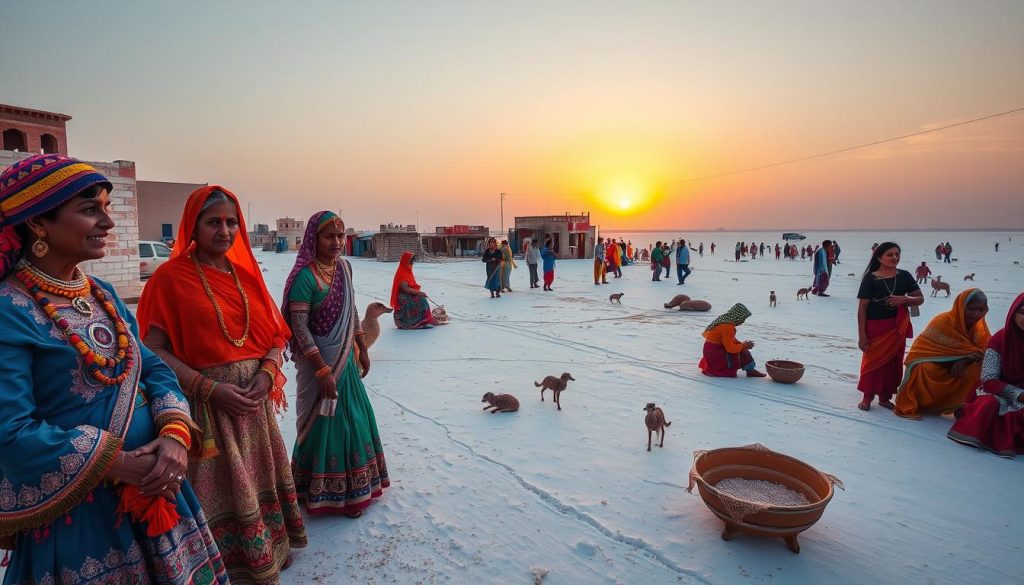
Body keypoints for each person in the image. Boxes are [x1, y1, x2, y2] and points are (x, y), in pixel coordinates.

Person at [0, 155, 228, 584]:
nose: (108, 222)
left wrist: (175, 437)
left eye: (106, 207)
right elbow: (10, 434)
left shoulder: (101, 292)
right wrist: (118, 464)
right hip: (81, 512)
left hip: (161, 487)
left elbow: (151, 367)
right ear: (37, 224)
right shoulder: (8, 310)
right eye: (90, 210)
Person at [137, 186, 307, 583]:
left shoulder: (246, 277)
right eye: (213, 222)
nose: (225, 230)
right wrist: (206, 388)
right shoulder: (169, 279)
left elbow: (276, 337)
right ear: (192, 226)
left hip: (254, 408)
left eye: (232, 222)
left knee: (257, 479)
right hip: (206, 412)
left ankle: (267, 553)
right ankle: (221, 566)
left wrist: (267, 372)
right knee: (218, 490)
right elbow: (153, 349)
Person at [283, 211, 389, 516]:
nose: (337, 242)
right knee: (324, 424)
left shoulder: (344, 268)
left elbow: (351, 308)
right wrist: (321, 369)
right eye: (330, 236)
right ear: (313, 239)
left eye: (341, 236)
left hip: (346, 360)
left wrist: (360, 345)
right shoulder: (305, 277)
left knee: (353, 419)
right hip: (320, 364)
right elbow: (299, 328)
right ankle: (317, 490)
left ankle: (356, 489)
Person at [947, 293, 1024, 457]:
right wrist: (1018, 394)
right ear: (1014, 313)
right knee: (989, 405)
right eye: (1023, 312)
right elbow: (989, 380)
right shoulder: (1000, 339)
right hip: (997, 390)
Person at [893, 289, 990, 419]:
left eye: (981, 310)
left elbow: (985, 351)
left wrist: (965, 359)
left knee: (981, 367)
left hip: (960, 367)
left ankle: (961, 405)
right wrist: (954, 361)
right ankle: (923, 403)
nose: (976, 314)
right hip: (936, 364)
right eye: (971, 309)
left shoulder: (980, 328)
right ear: (961, 307)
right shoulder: (943, 321)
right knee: (922, 368)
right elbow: (920, 354)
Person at [856, 242, 924, 411]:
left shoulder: (905, 276)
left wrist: (905, 299)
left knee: (893, 362)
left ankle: (885, 397)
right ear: (879, 257)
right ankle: (867, 396)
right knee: (872, 361)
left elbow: (920, 298)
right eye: (890, 254)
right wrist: (862, 335)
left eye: (897, 254)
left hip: (897, 327)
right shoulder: (871, 278)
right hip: (875, 327)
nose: (894, 258)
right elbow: (863, 307)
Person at [699, 304, 767, 377]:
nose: (743, 321)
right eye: (743, 318)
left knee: (742, 348)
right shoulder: (728, 327)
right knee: (742, 350)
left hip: (711, 350)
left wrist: (742, 345)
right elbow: (730, 349)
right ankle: (750, 370)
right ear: (738, 317)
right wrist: (743, 346)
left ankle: (750, 370)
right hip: (714, 353)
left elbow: (730, 340)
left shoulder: (725, 322)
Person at [390, 250, 436, 329]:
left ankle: (424, 320)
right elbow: (405, 288)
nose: (412, 263)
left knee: (420, 298)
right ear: (406, 261)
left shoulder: (407, 271)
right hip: (403, 295)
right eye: (411, 261)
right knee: (420, 299)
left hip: (407, 293)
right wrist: (418, 292)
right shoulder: (402, 272)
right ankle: (415, 322)